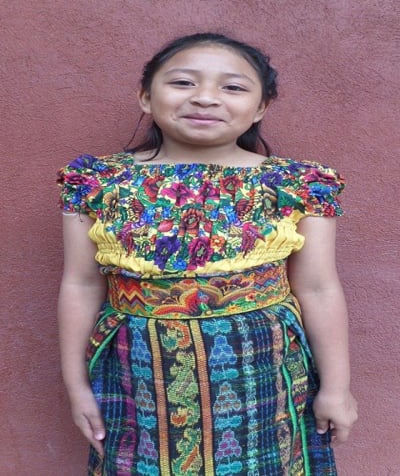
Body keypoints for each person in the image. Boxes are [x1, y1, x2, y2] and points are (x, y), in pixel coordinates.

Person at [57, 32, 357, 475]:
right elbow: (81, 284)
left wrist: (337, 388)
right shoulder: (98, 182)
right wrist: (76, 386)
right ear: (145, 96)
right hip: (136, 373)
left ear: (260, 107)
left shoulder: (297, 186)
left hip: (263, 375)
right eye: (183, 82)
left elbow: (318, 288)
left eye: (232, 87)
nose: (205, 98)